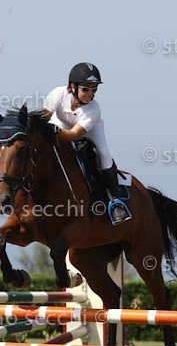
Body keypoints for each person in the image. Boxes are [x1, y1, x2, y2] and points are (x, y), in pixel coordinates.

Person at [43, 62, 131, 225]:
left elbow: (72, 135)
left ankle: (115, 201)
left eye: (94, 90)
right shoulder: (57, 94)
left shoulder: (93, 110)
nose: (90, 94)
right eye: (86, 89)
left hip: (88, 130)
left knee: (104, 155)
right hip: (61, 124)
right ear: (72, 86)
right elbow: (44, 118)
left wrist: (53, 132)